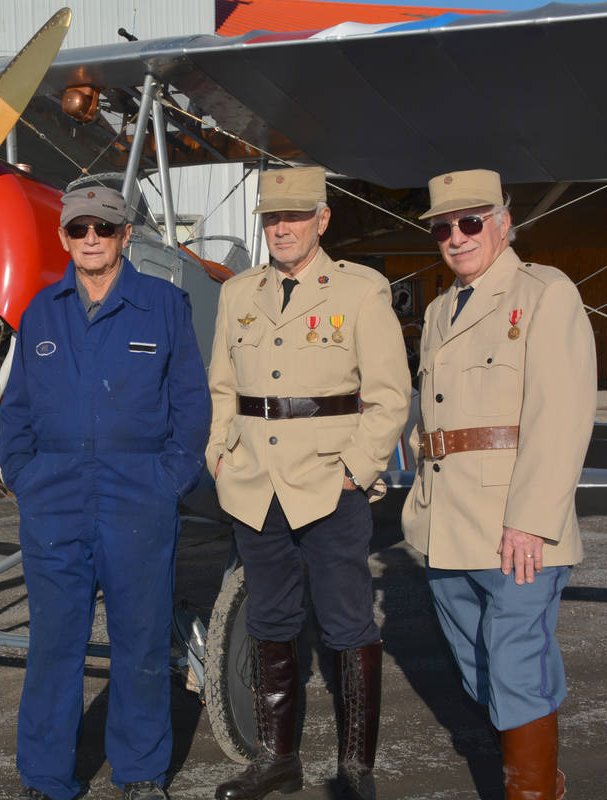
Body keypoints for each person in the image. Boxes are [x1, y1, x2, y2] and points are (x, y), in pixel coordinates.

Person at [0, 186, 211, 800]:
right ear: (65, 238)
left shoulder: (164, 305)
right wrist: (25, 476)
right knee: (53, 645)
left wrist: (169, 481)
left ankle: (140, 772)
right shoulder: (41, 311)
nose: (91, 239)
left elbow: (192, 405)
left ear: (124, 236)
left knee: (141, 642)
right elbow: (16, 411)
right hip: (56, 500)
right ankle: (45, 777)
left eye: (104, 228)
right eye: (80, 229)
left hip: (137, 498)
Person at [206, 167, 411, 800]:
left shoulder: (360, 290)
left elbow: (388, 396)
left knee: (348, 623)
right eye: (272, 218)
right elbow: (222, 387)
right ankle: (277, 761)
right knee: (271, 618)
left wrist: (357, 469)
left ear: (322, 220)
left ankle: (356, 768)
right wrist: (218, 453)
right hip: (253, 483)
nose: (282, 228)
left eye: (295, 216)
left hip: (329, 483)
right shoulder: (238, 293)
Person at [402, 169, 596, 800]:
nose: (456, 237)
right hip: (445, 522)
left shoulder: (544, 291)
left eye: (471, 221)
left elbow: (560, 413)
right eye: (442, 227)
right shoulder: (436, 311)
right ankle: (541, 771)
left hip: (516, 523)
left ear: (504, 222)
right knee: (476, 667)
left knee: (515, 660)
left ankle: (533, 790)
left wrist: (532, 518)